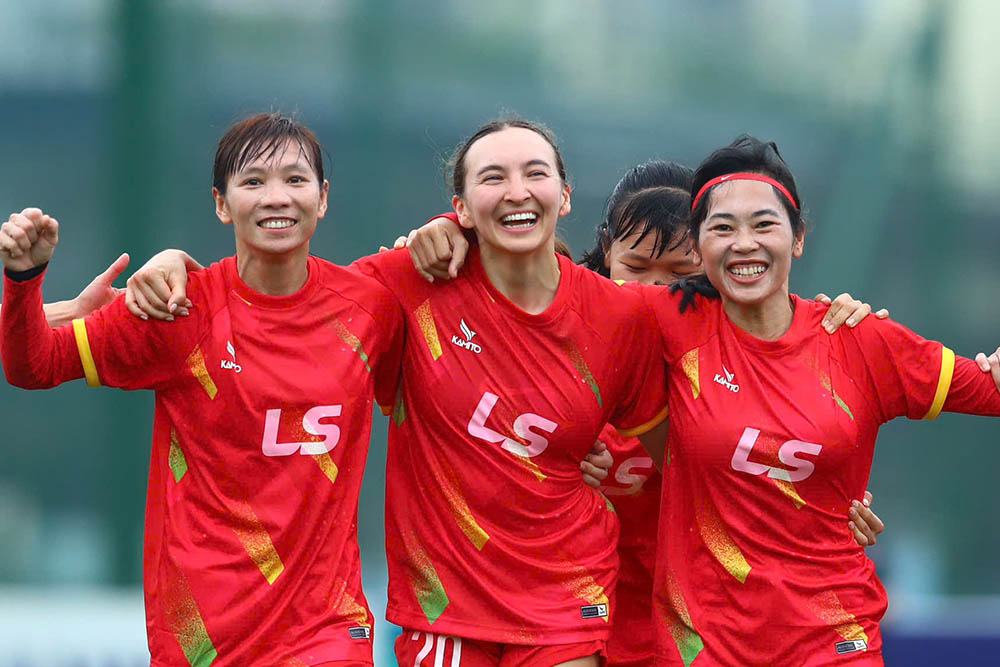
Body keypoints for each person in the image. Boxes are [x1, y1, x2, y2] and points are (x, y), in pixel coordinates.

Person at [398, 158, 888, 666]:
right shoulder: (560, 341)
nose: (653, 291)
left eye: (680, 274)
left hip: (698, 640)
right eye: (635, 268)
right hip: (565, 628)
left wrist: (828, 506)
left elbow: (804, 454)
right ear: (606, 250)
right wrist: (448, 230)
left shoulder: (759, 361)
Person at [0, 112, 406, 666]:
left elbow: (463, 351)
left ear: (323, 197)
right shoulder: (176, 307)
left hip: (327, 629)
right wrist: (24, 283)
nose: (276, 198)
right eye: (253, 181)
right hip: (202, 638)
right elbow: (35, 365)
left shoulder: (372, 309)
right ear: (221, 203)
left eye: (295, 179)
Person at [633, 135, 1000, 665]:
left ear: (798, 237)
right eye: (722, 228)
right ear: (698, 247)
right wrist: (464, 232)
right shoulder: (667, 322)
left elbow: (988, 389)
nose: (744, 244)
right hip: (704, 644)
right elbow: (550, 289)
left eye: (764, 225)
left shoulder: (858, 337)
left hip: (832, 640)